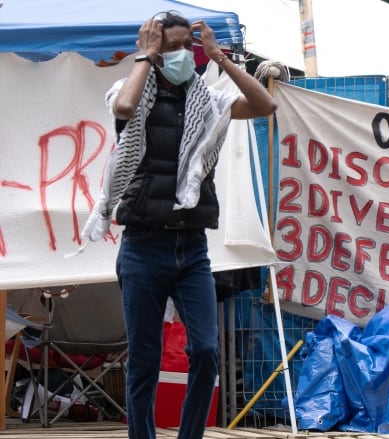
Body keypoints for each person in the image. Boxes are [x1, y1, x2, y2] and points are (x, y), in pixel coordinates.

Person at [79, 10, 277, 439]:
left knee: (205, 350)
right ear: (154, 48)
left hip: (191, 250)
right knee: (146, 358)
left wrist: (220, 60)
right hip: (143, 247)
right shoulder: (131, 89)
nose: (182, 54)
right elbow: (125, 107)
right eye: (173, 47)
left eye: (187, 46)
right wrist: (145, 57)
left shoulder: (208, 101)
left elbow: (266, 105)